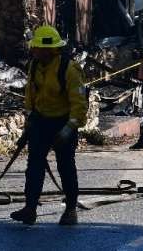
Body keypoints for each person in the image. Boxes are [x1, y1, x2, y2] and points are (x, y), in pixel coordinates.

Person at [10, 25, 87, 226]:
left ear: (49, 50)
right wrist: (30, 123)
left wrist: (67, 130)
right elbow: (30, 95)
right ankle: (30, 209)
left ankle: (70, 209)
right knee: (34, 166)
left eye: (37, 47)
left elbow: (79, 103)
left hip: (63, 122)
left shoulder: (69, 69)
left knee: (66, 166)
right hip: (41, 122)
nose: (33, 50)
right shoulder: (35, 65)